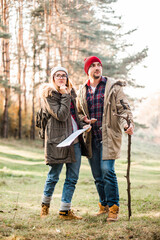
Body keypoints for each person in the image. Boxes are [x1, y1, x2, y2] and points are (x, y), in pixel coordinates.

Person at [77, 56, 134, 221]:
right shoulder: (83, 90)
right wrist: (85, 120)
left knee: (107, 170)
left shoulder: (113, 87)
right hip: (91, 138)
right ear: (87, 70)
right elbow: (80, 113)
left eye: (99, 65)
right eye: (93, 66)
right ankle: (104, 205)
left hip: (108, 137)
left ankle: (114, 208)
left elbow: (123, 108)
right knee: (97, 175)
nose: (97, 68)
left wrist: (127, 124)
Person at [39, 66, 90, 220]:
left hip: (74, 140)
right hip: (58, 142)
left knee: (72, 177)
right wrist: (64, 95)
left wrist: (84, 124)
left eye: (64, 75)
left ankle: (64, 211)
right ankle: (45, 207)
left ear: (67, 78)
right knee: (53, 176)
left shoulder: (71, 93)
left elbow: (73, 116)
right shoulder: (49, 95)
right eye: (58, 75)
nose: (61, 78)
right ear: (53, 78)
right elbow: (61, 115)